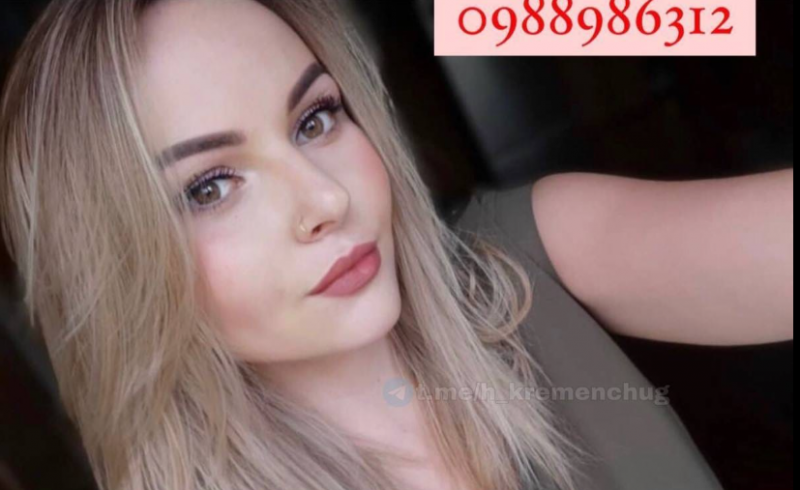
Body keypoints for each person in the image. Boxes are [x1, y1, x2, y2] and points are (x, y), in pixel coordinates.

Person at [0, 1, 792, 490]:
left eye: (315, 119)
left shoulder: (525, 261)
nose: (326, 199)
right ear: (115, 269)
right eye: (210, 187)